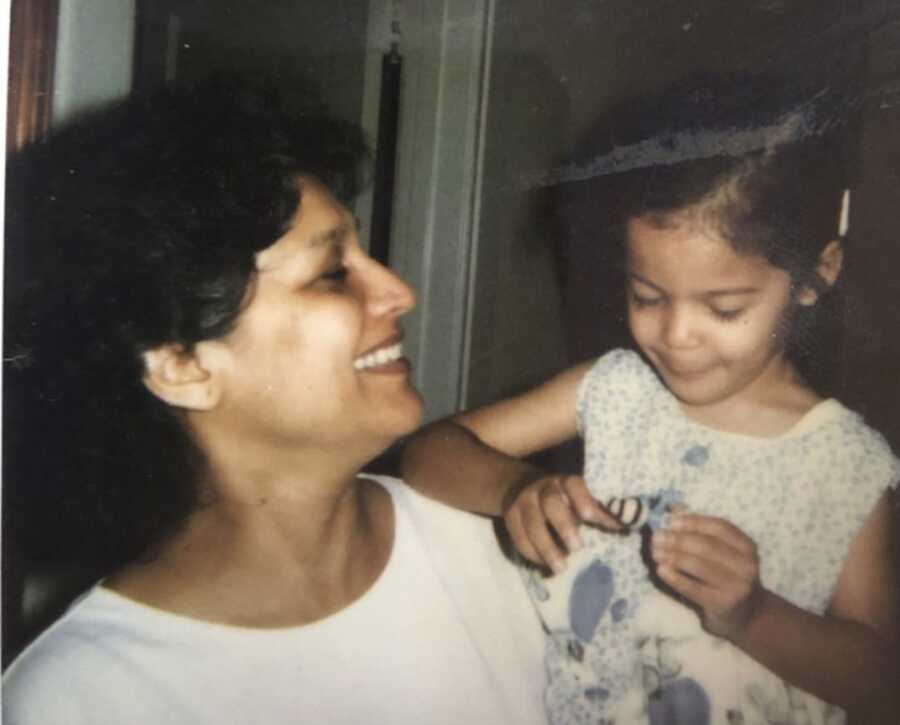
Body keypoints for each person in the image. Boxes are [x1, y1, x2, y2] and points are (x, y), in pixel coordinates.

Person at [1, 78, 546, 724]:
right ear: (181, 365)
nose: (399, 292)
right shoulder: (84, 696)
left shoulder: (499, 540)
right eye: (332, 273)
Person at [402, 73, 899, 724]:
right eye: (647, 296)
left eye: (724, 308)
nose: (675, 334)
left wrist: (753, 614)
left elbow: (880, 682)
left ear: (817, 275)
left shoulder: (845, 463)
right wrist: (513, 487)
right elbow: (426, 453)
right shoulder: (614, 390)